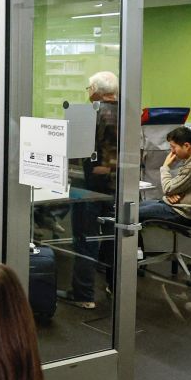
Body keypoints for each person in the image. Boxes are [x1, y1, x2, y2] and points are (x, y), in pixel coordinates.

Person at [62, 71, 120, 308]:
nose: (88, 93)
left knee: (86, 239)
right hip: (117, 185)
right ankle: (116, 287)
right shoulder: (129, 112)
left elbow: (77, 153)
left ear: (95, 89)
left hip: (89, 187)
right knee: (113, 239)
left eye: (88, 89)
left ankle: (84, 295)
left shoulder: (90, 114)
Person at [138, 126, 191, 224]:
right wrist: (171, 193)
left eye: (173, 147)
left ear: (187, 146)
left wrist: (165, 167)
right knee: (134, 208)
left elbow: (168, 188)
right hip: (175, 205)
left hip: (180, 212)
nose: (172, 151)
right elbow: (173, 188)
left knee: (128, 214)